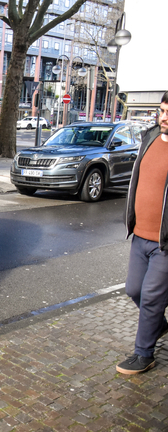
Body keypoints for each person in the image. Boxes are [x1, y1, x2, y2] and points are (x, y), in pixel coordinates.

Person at [119, 91, 168, 374]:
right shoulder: (149, 138)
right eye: (162, 111)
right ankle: (159, 324)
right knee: (134, 290)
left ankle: (144, 353)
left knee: (151, 296)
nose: (163, 118)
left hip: (165, 243)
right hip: (140, 235)